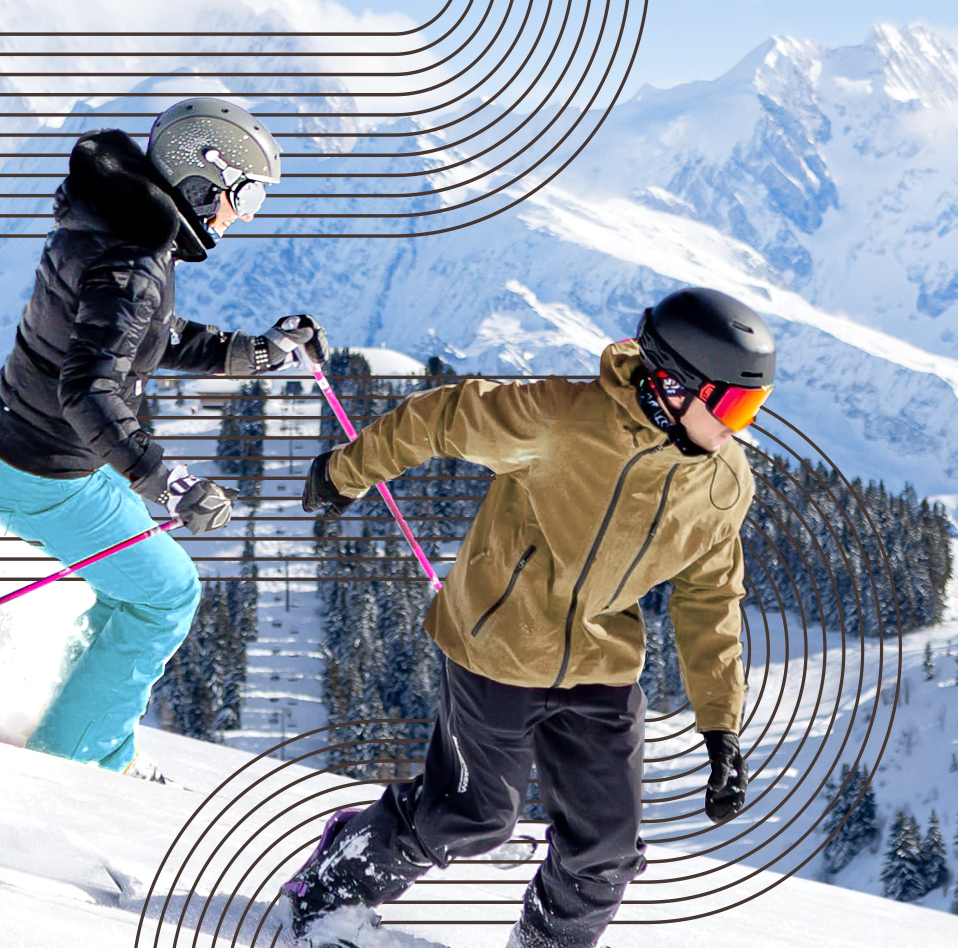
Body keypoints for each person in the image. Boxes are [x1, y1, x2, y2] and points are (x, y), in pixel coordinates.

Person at [280, 287, 775, 948]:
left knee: (605, 851)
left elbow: (711, 598)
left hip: (602, 661)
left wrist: (720, 728)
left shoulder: (723, 481)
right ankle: (330, 888)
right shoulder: (562, 418)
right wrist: (345, 472)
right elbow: (441, 416)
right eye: (735, 404)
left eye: (756, 406)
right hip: (499, 643)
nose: (741, 426)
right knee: (470, 815)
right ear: (674, 384)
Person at [0, 97, 329, 774]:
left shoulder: (115, 232)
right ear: (203, 181)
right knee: (168, 595)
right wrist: (167, 480)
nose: (238, 217)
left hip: (32, 450)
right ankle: (74, 765)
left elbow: (142, 337)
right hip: (48, 474)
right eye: (243, 197)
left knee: (132, 591)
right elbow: (90, 388)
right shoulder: (133, 262)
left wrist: (256, 354)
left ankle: (75, 735)